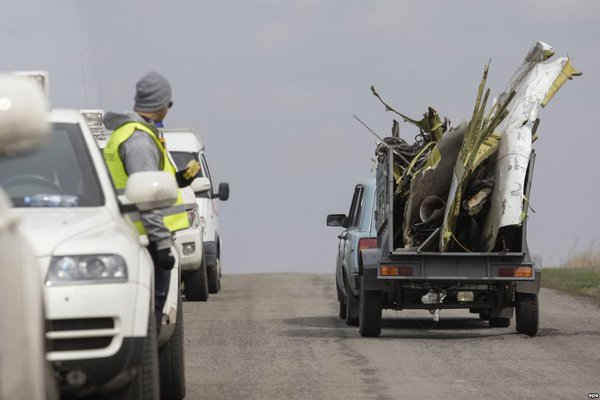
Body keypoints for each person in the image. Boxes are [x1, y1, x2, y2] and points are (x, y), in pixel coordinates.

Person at [103, 71, 200, 331]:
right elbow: (145, 197)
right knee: (152, 317)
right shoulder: (139, 140)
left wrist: (180, 179)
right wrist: (161, 244)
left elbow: (146, 183)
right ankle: (148, 371)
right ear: (161, 105)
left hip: (135, 235)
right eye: (169, 104)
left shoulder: (132, 133)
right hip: (145, 239)